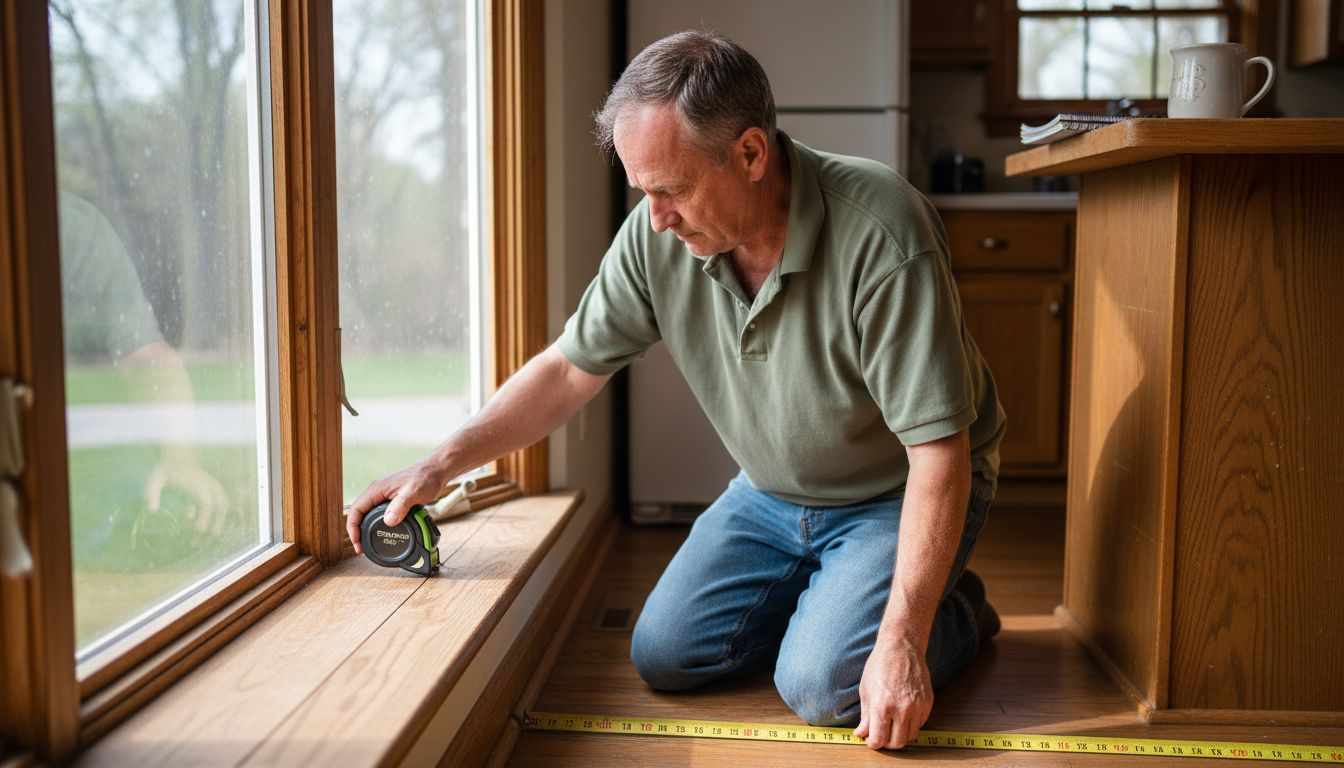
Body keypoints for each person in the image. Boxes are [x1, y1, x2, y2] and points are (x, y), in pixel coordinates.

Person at [346, 30, 1005, 751]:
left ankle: (951, 614)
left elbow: (939, 454)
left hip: (896, 491)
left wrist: (901, 640)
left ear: (750, 154)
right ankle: (839, 603)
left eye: (673, 189)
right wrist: (439, 464)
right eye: (644, 192)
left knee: (821, 687)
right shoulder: (657, 237)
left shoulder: (883, 229)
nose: (656, 218)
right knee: (665, 655)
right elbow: (567, 370)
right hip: (772, 493)